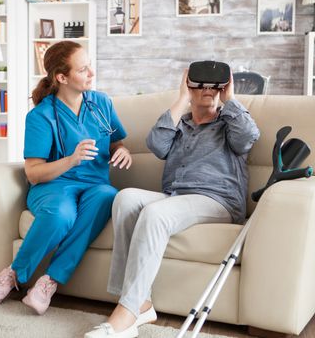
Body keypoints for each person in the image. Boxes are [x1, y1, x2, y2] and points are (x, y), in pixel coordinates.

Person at [85, 68, 260, 338]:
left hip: (217, 199)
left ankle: (126, 313)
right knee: (126, 198)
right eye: (200, 84)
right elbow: (157, 145)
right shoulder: (180, 123)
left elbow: (249, 136)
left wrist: (231, 98)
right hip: (176, 196)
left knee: (155, 214)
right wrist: (181, 101)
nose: (208, 89)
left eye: (215, 85)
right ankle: (139, 303)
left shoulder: (230, 123)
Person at [0, 41, 133, 315]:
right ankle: (14, 274)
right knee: (61, 215)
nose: (91, 73)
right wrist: (71, 159)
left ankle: (49, 281)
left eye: (89, 66)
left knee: (109, 195)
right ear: (61, 77)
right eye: (83, 69)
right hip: (53, 186)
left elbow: (116, 142)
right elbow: (33, 173)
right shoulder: (41, 116)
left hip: (95, 186)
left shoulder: (101, 104)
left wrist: (122, 151)